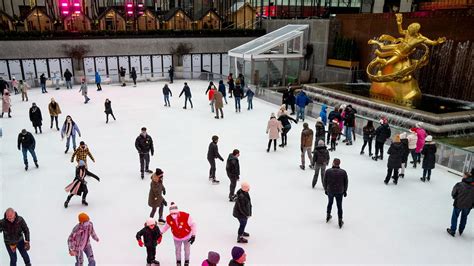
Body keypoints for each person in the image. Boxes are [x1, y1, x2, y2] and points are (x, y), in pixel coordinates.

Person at [446, 171, 474, 237]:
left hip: (458, 203)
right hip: (468, 205)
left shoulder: (460, 184)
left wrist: (455, 197)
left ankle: (453, 230)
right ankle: (461, 230)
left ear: (466, 177)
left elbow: (453, 193)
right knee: (464, 217)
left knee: (455, 216)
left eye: (463, 175)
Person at [323, 158, 348, 228]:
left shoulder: (328, 171)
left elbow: (325, 181)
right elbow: (346, 182)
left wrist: (325, 189)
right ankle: (340, 220)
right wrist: (345, 190)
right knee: (339, 206)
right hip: (340, 191)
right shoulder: (343, 172)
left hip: (330, 190)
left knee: (330, 203)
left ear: (333, 163)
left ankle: (328, 215)